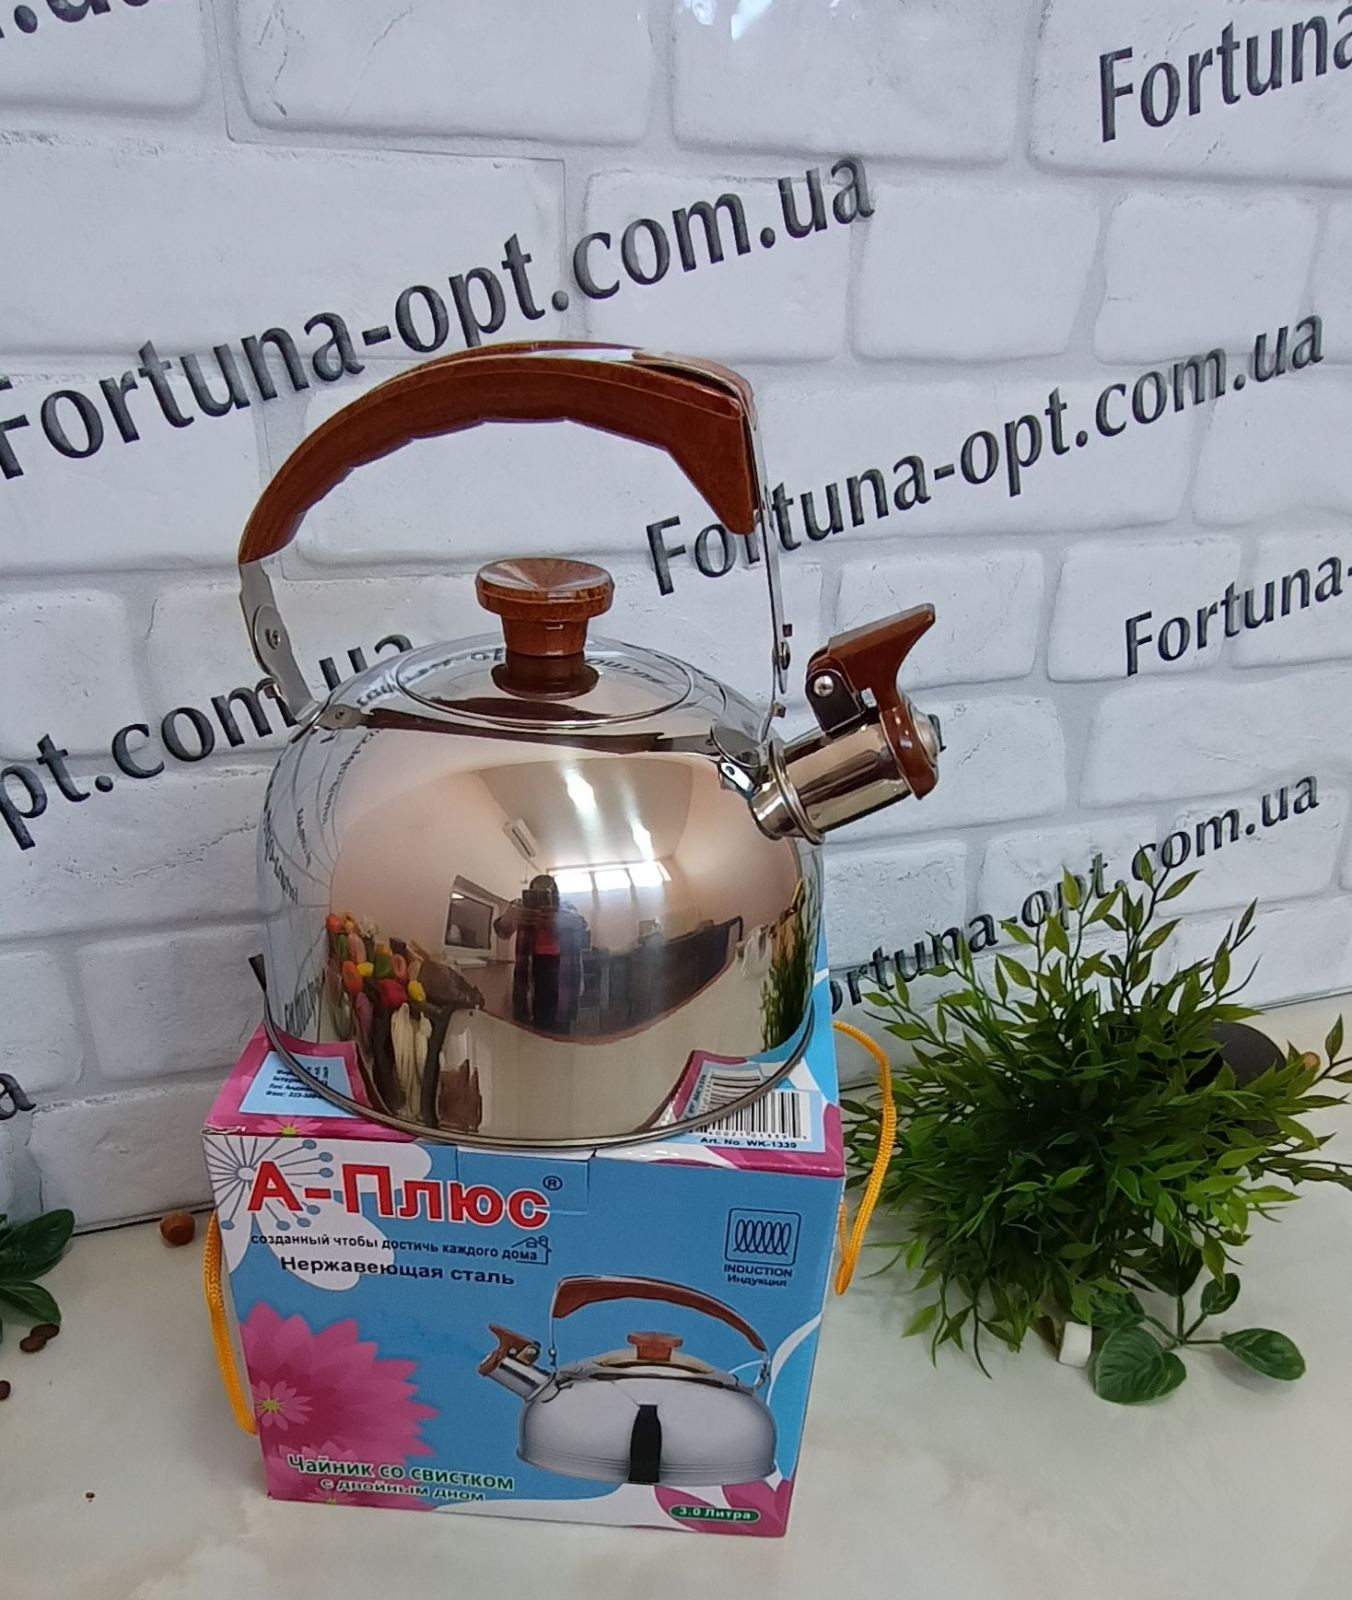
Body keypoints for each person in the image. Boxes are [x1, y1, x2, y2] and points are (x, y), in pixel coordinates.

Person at [494, 874, 586, 1032]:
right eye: (535, 893)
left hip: (560, 969)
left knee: (560, 1022)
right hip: (531, 967)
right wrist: (509, 917)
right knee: (529, 1022)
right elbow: (503, 933)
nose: (540, 898)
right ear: (529, 893)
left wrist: (558, 921)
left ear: (555, 894)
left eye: (546, 893)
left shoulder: (566, 909)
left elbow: (581, 925)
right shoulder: (520, 907)